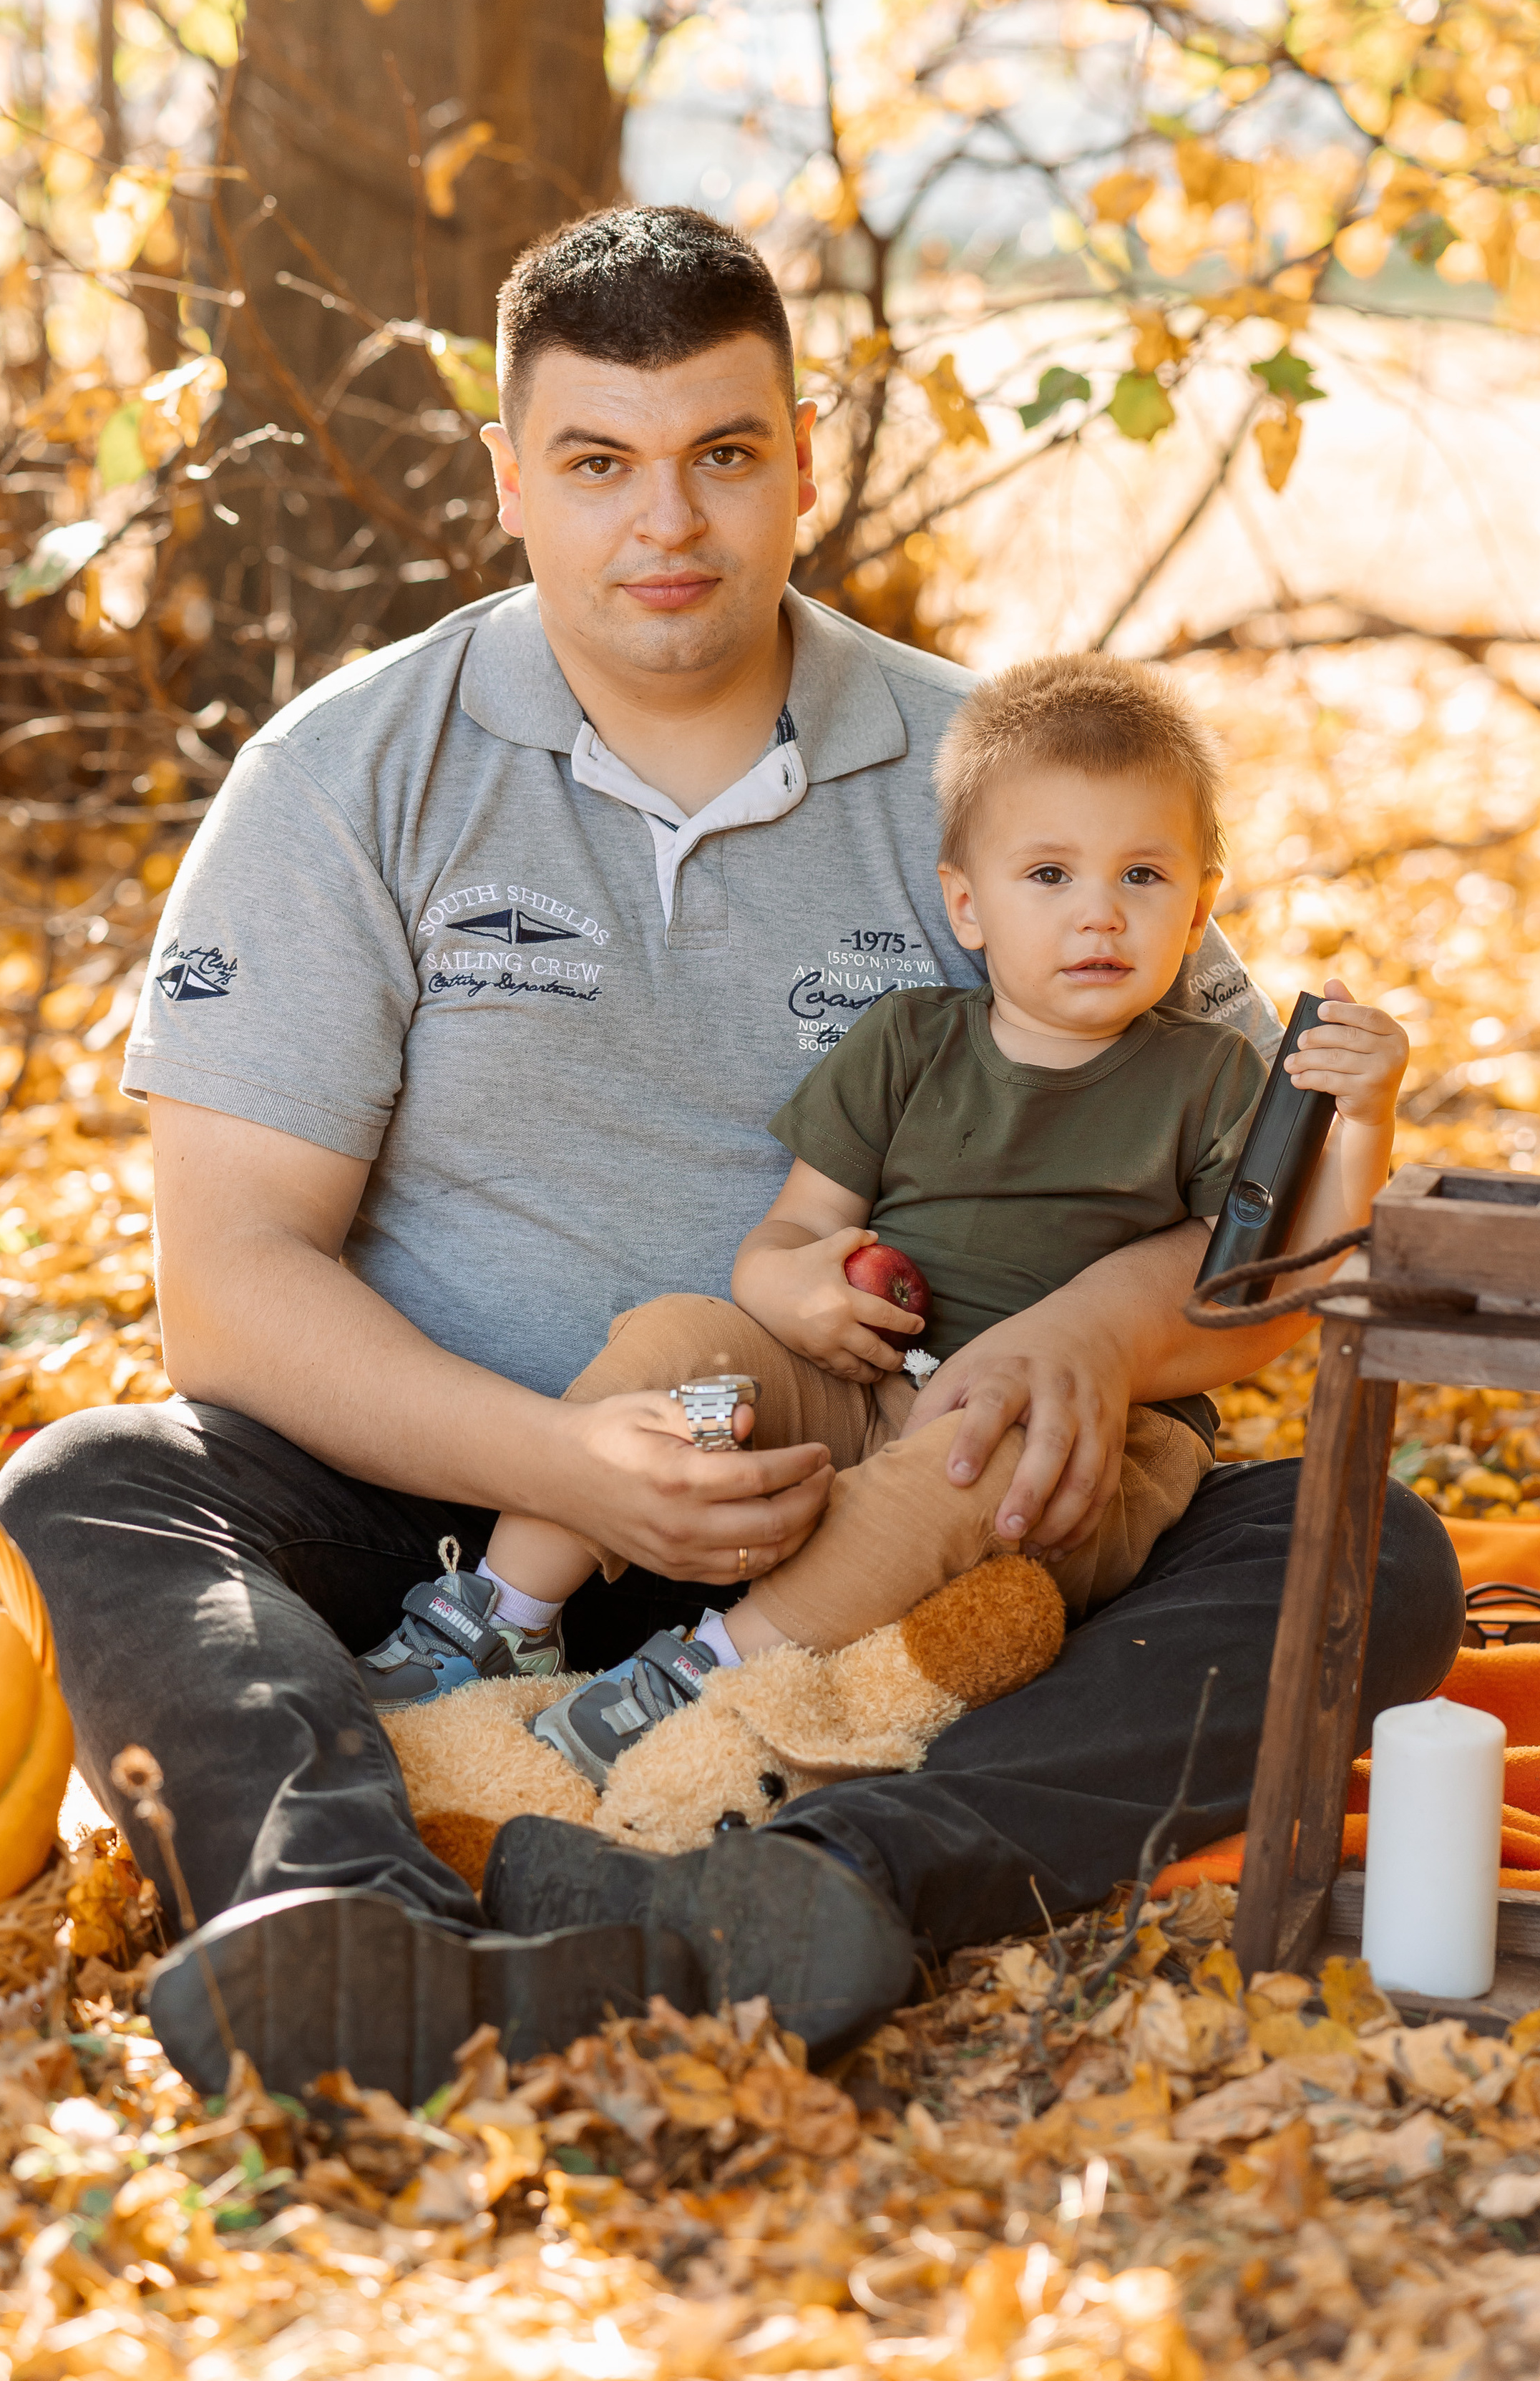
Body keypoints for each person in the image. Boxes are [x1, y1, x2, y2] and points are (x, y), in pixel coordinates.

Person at [0, 205, 1465, 2100]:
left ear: (805, 463)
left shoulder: (992, 777)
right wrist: (559, 1463)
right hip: (456, 1521)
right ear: (512, 482)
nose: (665, 525)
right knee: (97, 1486)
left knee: (1364, 1556)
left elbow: (1260, 1214)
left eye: (725, 455)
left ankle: (818, 1889)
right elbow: (236, 1286)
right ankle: (341, 1915)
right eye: (598, 464)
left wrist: (1099, 1332)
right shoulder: (347, 778)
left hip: (898, 1503)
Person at [441, 653, 1408, 1797]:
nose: (1098, 912)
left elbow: (1280, 1283)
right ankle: (498, 1616)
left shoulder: (1211, 1078)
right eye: (1048, 873)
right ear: (967, 905)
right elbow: (787, 1236)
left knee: (956, 1464)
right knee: (679, 1343)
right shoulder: (909, 1043)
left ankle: (710, 1672)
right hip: (861, 1387)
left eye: (1142, 876)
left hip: (1061, 1444)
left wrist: (1364, 1118)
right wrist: (795, 1291)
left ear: (1200, 908)